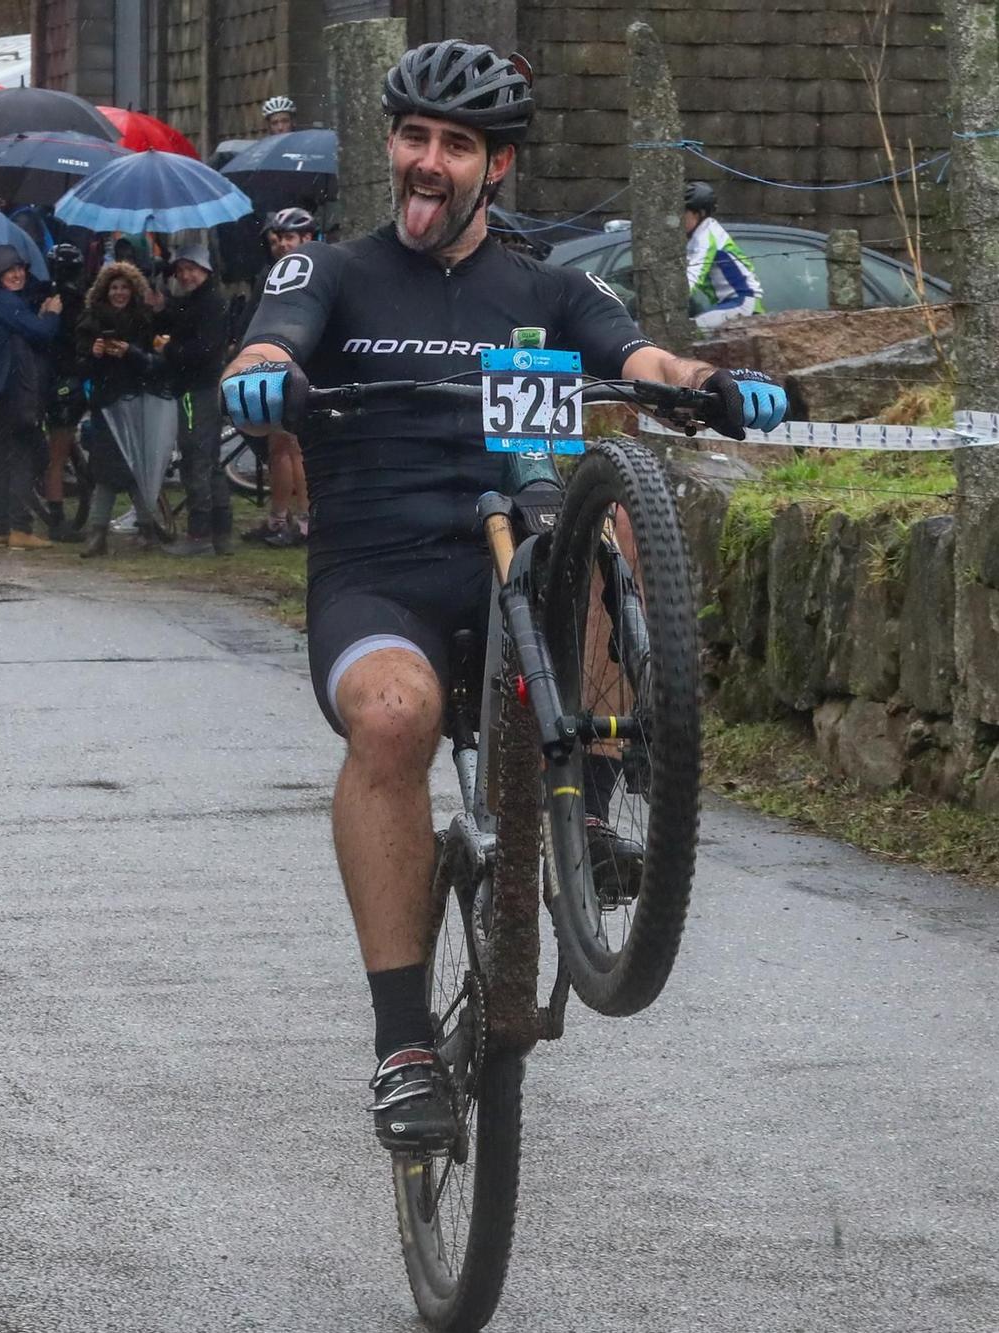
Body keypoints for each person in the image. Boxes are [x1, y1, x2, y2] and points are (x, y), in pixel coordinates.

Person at [219, 38, 788, 1154]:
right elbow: (268, 338)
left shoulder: (547, 289)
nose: (427, 161)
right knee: (392, 721)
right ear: (391, 145)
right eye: (413, 137)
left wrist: (709, 385)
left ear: (498, 168)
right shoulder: (328, 270)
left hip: (513, 563)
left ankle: (600, 802)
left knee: (607, 518)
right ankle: (401, 1048)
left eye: (456, 146)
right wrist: (259, 373)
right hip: (378, 575)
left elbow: (641, 361)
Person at [72, 259, 169, 556]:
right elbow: (80, 365)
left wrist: (131, 352)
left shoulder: (144, 320)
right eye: (114, 287)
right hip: (106, 403)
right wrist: (95, 354)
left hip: (136, 400)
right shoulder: (90, 322)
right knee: (105, 471)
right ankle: (100, 533)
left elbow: (156, 364)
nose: (119, 293)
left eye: (124, 287)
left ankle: (145, 529)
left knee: (136, 467)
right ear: (104, 291)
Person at [0, 245, 64, 550]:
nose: (16, 275)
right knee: (30, 455)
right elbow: (41, 333)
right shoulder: (2, 302)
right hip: (13, 390)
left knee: (3, 459)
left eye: (19, 269)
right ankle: (20, 528)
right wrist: (51, 315)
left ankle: (0, 526)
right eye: (9, 271)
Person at [240, 208, 317, 548]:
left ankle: (299, 520)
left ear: (307, 239)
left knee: (290, 447)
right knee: (279, 448)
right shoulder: (269, 275)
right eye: (277, 239)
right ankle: (282, 517)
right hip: (269, 362)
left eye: (288, 238)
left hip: (297, 365)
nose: (281, 245)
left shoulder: (313, 275)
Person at [156, 243, 233, 556]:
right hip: (204, 386)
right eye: (182, 269)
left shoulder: (210, 304)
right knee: (211, 461)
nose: (186, 275)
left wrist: (169, 350)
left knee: (196, 459)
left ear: (205, 270)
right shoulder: (198, 302)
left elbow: (202, 350)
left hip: (197, 388)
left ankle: (200, 534)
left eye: (192, 269)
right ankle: (222, 532)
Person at [39, 242, 90, 540]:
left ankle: (57, 513)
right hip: (69, 383)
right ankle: (57, 521)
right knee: (57, 456)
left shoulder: (46, 300)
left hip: (53, 382)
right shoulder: (76, 303)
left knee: (58, 451)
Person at [683, 180, 764, 329]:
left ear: (699, 214)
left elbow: (694, 275)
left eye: (684, 213)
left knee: (690, 330)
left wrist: (668, 299)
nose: (680, 218)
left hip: (742, 302)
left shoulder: (706, 237)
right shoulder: (697, 236)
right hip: (728, 303)